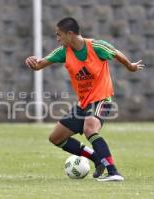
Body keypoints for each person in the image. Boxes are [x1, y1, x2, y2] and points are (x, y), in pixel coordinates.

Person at [25, 17, 144, 182]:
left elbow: (116, 53)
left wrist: (130, 66)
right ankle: (97, 158)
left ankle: (113, 172)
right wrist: (32, 62)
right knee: (56, 138)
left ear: (70, 34)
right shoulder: (63, 52)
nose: (57, 39)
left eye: (59, 35)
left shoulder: (96, 46)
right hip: (84, 104)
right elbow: (40, 64)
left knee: (90, 127)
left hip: (101, 99)